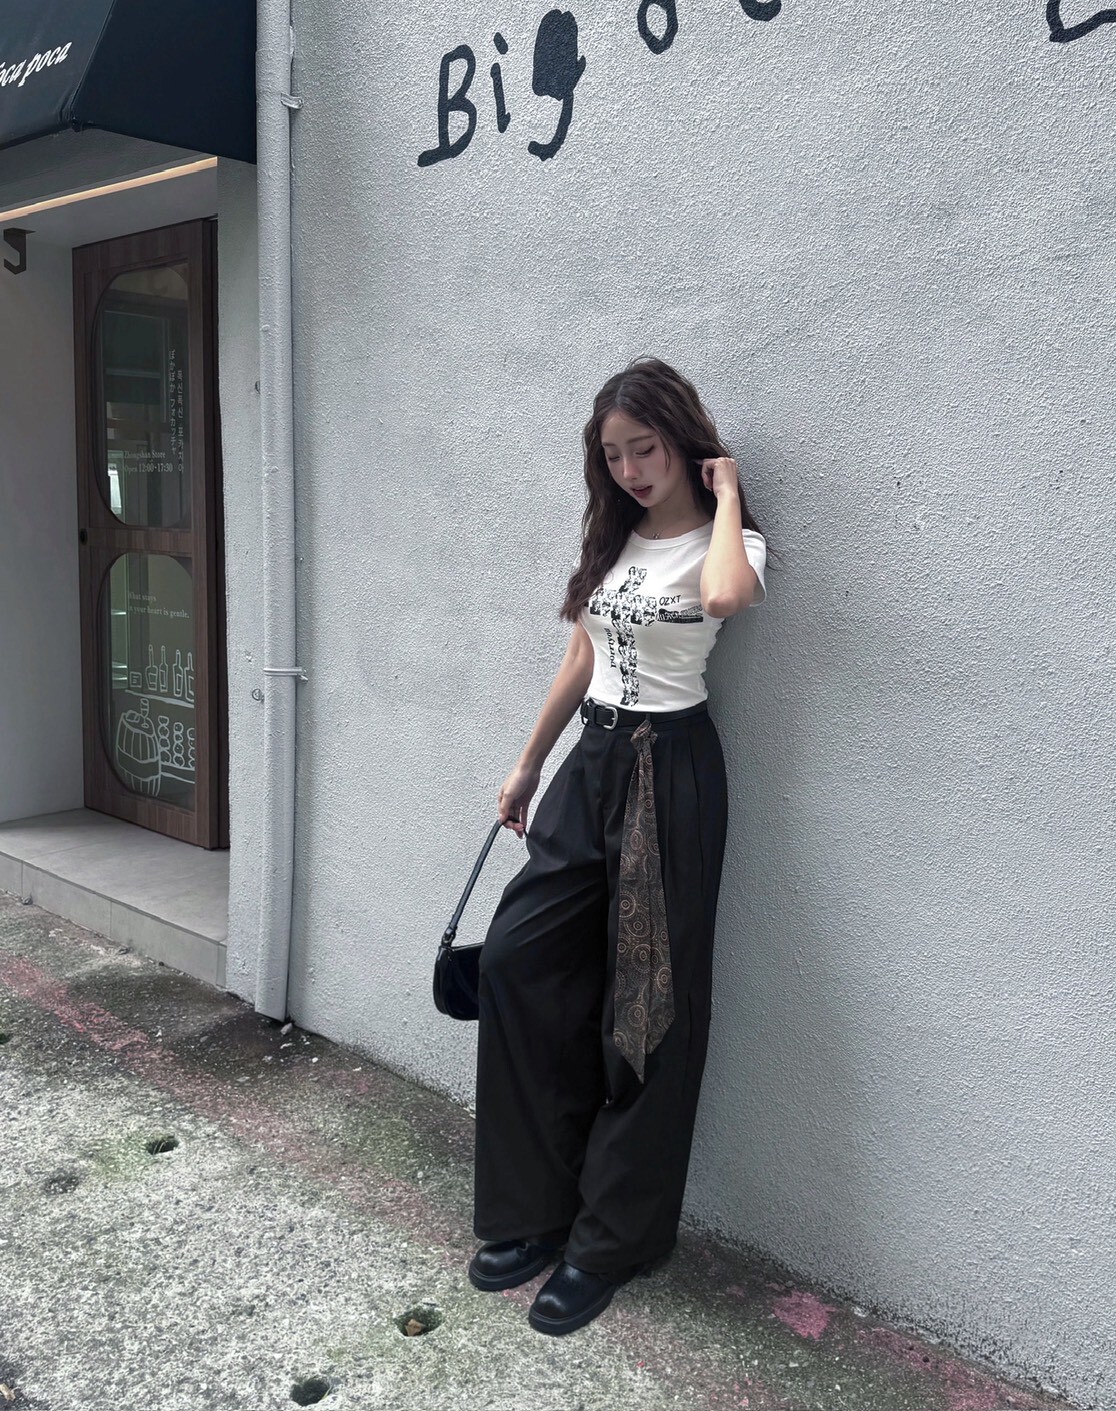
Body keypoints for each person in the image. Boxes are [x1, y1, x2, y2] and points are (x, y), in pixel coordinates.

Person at [469, 356, 767, 1336]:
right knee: (518, 963)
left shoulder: (729, 542)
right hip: (589, 764)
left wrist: (726, 493)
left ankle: (610, 1241)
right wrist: (527, 763)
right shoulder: (616, 537)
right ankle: (535, 1210)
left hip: (668, 773)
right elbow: (581, 652)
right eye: (613, 454)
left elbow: (724, 598)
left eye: (645, 449)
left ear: (682, 441)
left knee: (646, 1011)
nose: (631, 470)